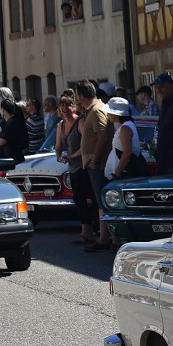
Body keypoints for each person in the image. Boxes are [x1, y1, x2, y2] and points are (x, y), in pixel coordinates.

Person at [54, 90, 96, 244]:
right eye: (62, 105)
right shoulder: (61, 125)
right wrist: (59, 155)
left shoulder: (80, 122)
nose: (65, 108)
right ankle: (86, 231)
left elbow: (87, 145)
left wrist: (71, 156)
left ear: (74, 106)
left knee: (81, 197)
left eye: (68, 105)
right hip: (71, 167)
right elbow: (58, 145)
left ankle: (89, 232)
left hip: (83, 165)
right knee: (78, 198)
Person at [77, 80, 113, 251]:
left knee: (103, 202)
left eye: (78, 96)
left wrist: (95, 160)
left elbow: (103, 137)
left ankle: (108, 239)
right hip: (96, 164)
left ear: (81, 96)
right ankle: (105, 237)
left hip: (99, 165)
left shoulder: (97, 110)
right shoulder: (96, 109)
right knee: (101, 203)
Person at [104, 97, 144, 181]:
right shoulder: (124, 126)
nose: (107, 114)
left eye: (109, 112)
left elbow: (127, 153)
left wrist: (118, 172)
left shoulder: (125, 128)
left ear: (116, 114)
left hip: (126, 173)